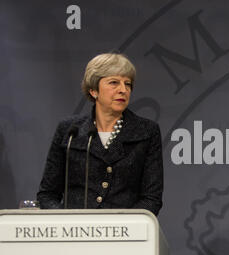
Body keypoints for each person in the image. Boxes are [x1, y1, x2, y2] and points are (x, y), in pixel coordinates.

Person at [37, 53, 163, 215]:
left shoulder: (146, 131)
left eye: (128, 84)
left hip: (124, 234)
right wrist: (67, 222)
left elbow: (151, 198)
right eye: (114, 83)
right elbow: (47, 194)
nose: (123, 90)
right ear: (94, 90)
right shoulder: (69, 131)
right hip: (73, 232)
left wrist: (125, 226)